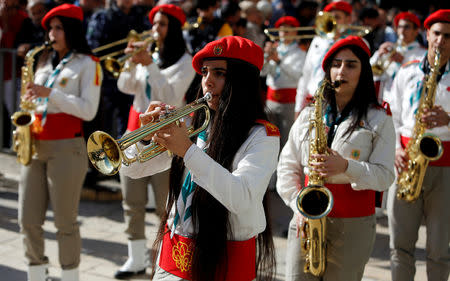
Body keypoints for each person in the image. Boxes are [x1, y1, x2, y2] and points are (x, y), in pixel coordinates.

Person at [120, 36, 279, 280]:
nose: (207, 82)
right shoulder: (192, 125)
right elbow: (132, 170)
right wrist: (144, 138)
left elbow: (243, 198)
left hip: (225, 261)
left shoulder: (262, 136)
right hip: (172, 256)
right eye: (204, 72)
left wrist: (188, 152)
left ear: (242, 80)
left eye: (219, 73)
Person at [277, 36, 396, 281]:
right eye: (336, 64)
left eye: (351, 65)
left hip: (353, 224)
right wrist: (295, 204)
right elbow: (287, 164)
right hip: (305, 219)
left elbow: (385, 176)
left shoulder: (379, 118)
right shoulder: (311, 112)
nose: (341, 71)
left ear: (363, 72)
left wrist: (347, 167)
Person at [18, 4, 102, 281]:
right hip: (35, 144)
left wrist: (50, 94)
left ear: (71, 30)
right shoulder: (42, 61)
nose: (51, 34)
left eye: (58, 28)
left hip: (68, 147)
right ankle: (36, 274)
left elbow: (89, 110)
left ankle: (70, 276)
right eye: (49, 28)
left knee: (65, 222)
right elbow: (35, 101)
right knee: (27, 220)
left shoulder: (89, 64)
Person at [114, 4, 195, 279]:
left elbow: (172, 96)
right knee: (132, 201)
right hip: (134, 129)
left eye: (161, 24)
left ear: (173, 28)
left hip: (165, 137)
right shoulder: (152, 53)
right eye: (154, 24)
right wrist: (130, 63)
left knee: (165, 204)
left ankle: (164, 260)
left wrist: (150, 66)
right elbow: (124, 86)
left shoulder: (186, 61)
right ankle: (135, 258)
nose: (155, 30)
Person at [387, 9, 450, 281]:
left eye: (448, 36)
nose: (441, 41)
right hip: (406, 160)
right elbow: (392, 116)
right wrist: (396, 150)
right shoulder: (407, 72)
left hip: (444, 166)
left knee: (438, 249)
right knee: (400, 245)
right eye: (436, 33)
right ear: (427, 35)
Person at [294, 1, 354, 118]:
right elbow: (306, 74)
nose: (334, 22)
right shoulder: (318, 41)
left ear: (348, 19)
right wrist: (298, 107)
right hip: (313, 100)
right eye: (330, 18)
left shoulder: (352, 43)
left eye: (337, 17)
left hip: (338, 104)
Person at [262, 15, 306, 147]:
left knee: (287, 137)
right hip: (271, 100)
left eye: (287, 31)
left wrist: (279, 61)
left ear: (295, 33)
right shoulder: (275, 49)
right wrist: (265, 56)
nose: (283, 34)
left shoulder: (300, 53)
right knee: (269, 137)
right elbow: (263, 72)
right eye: (281, 31)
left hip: (288, 101)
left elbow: (298, 76)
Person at [370, 11, 426, 104]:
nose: (402, 31)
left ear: (416, 31)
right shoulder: (388, 48)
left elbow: (420, 78)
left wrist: (403, 63)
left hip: (405, 102)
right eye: (399, 27)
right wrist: (379, 55)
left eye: (406, 27)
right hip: (383, 99)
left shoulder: (423, 54)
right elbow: (368, 70)